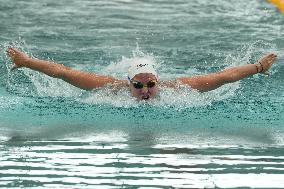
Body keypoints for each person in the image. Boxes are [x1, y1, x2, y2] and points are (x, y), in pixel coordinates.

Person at [6, 48, 277, 100]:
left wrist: (257, 67)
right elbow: (63, 73)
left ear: (159, 80)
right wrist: (27, 62)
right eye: (137, 85)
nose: (145, 91)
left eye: (150, 84)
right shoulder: (110, 89)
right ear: (128, 82)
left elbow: (223, 77)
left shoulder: (178, 89)